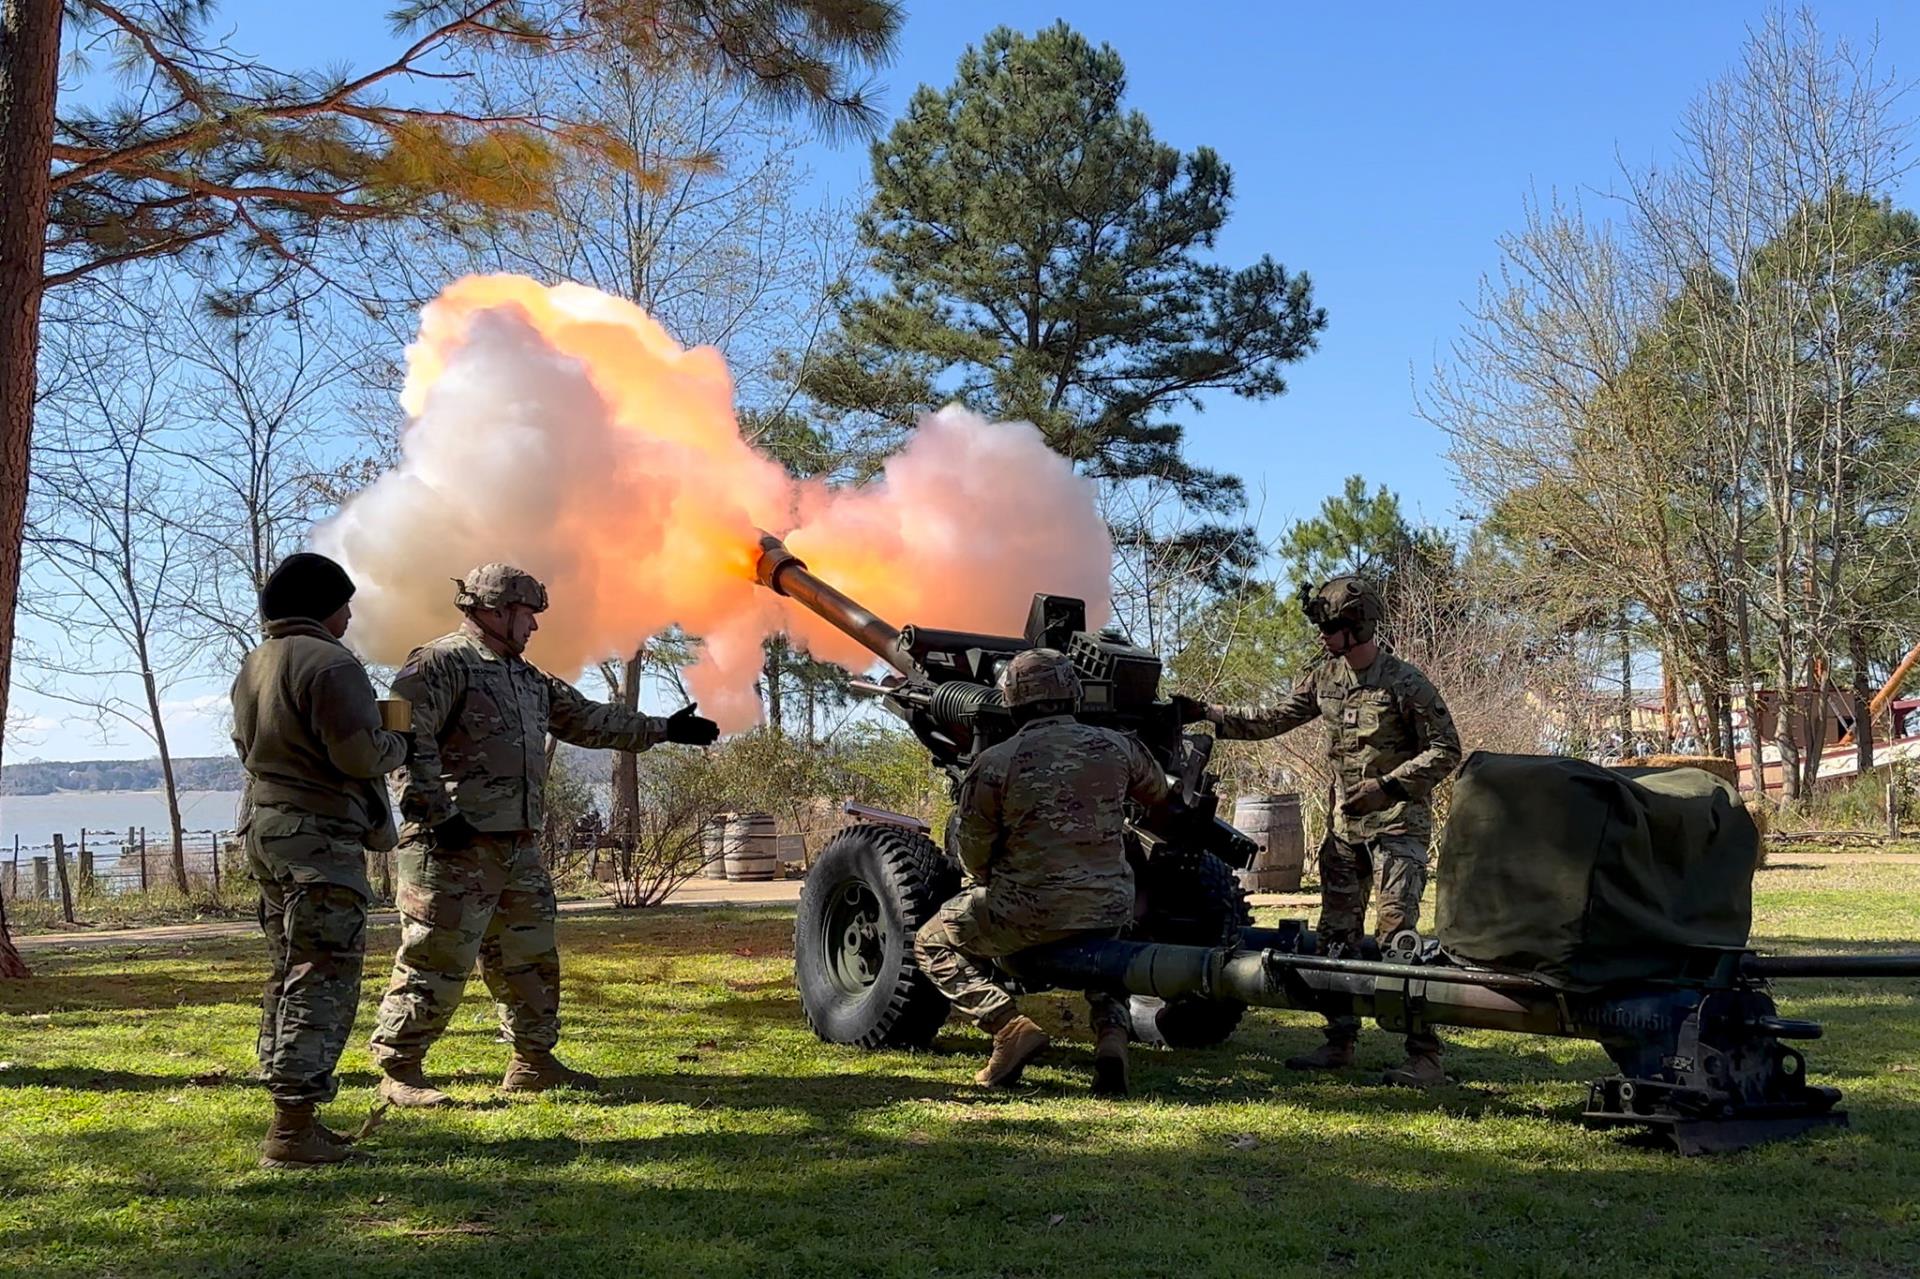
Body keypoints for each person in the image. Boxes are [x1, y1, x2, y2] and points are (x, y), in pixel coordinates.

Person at [368, 564, 719, 1106]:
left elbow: (588, 720)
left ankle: (533, 1062)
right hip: (451, 846)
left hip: (517, 845)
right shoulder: (434, 663)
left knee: (529, 958)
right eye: (527, 615)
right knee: (435, 958)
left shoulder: (527, 679)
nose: (533, 627)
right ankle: (401, 1069)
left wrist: (665, 728)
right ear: (494, 609)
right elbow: (399, 740)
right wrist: (437, 815)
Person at [1174, 576, 1462, 1087]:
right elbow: (1274, 717)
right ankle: (1340, 1042)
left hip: (1397, 829)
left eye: (1330, 628)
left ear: (1358, 628)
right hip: (1343, 833)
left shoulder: (1405, 683)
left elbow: (1445, 750)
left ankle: (1425, 1056)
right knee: (1336, 938)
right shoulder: (1325, 677)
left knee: (1398, 939)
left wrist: (1389, 787)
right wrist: (1211, 715)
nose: (1322, 636)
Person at [913, 649, 1169, 1096]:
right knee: (1106, 960)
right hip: (1108, 904)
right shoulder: (1117, 746)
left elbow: (972, 850)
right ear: (1071, 691)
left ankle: (1007, 1026)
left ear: (1012, 697)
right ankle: (1111, 1041)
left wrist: (995, 881)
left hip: (1027, 910)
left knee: (931, 941)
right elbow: (1158, 796)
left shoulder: (995, 762)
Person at [231, 552, 409, 1168]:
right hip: (318, 841)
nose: (351, 613)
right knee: (323, 973)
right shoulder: (331, 663)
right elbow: (359, 755)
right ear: (321, 606)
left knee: (288, 969)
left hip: (268, 829)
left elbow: (245, 745)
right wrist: (399, 739)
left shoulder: (256, 662)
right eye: (345, 602)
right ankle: (292, 1129)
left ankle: (291, 1115)